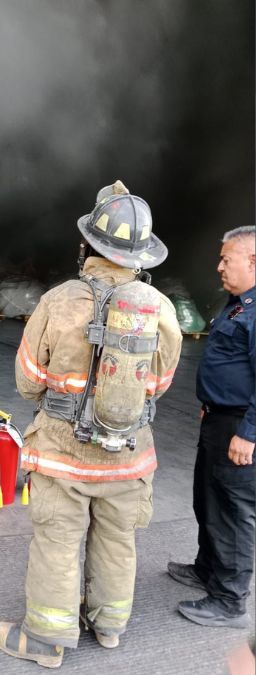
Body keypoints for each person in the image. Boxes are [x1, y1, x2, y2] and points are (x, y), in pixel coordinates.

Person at [0, 180, 182, 668]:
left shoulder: (60, 300)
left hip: (63, 451)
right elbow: (159, 385)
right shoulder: (158, 309)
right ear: (141, 255)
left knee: (58, 542)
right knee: (118, 541)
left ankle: (47, 640)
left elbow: (28, 380)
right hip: (129, 455)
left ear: (88, 246)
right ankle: (110, 626)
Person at [167, 225, 255, 629]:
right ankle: (208, 568)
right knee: (208, 500)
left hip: (240, 426)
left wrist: (249, 432)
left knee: (234, 511)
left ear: (253, 262)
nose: (219, 266)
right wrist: (211, 404)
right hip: (219, 418)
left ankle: (230, 601)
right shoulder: (236, 304)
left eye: (227, 259)